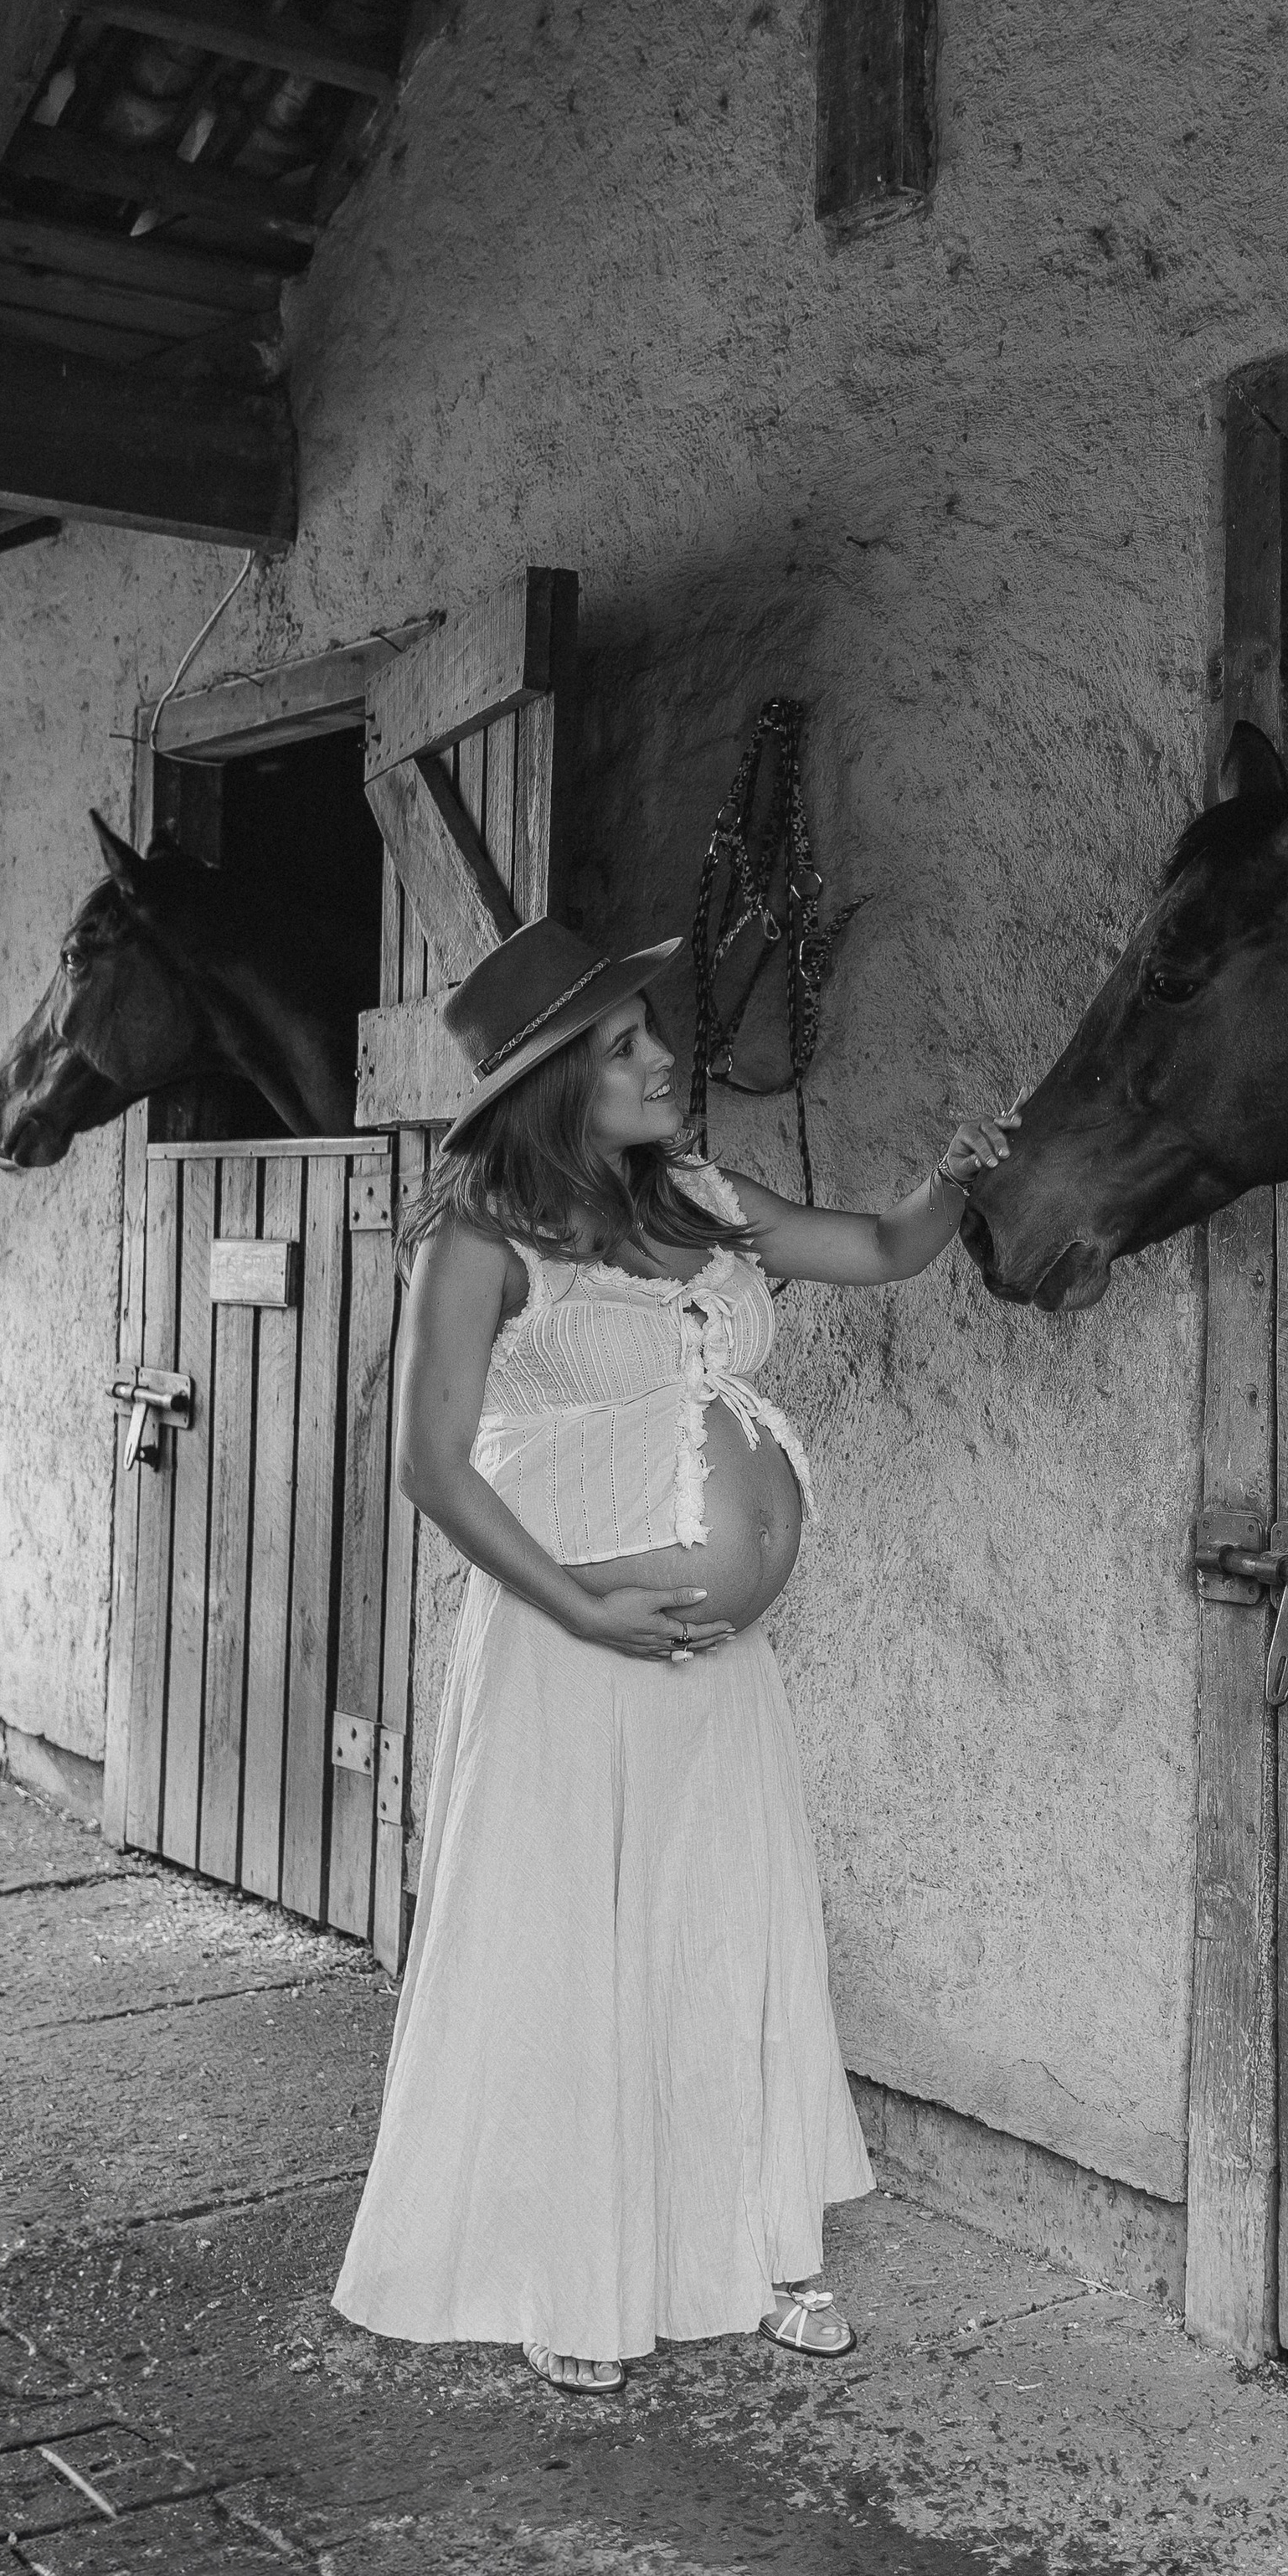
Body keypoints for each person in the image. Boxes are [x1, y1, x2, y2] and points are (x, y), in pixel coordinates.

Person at [332, 914, 1015, 2393]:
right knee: (586, 1946)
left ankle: (755, 2247)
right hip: (579, 1656)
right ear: (551, 1084)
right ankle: (578, 2278)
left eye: (651, 1031)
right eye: (626, 1044)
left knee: (723, 1930)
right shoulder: (479, 1243)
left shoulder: (695, 1196)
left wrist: (964, 1164)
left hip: (716, 1668)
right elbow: (435, 1468)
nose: (663, 1060)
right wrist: (580, 1610)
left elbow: (885, 1246)